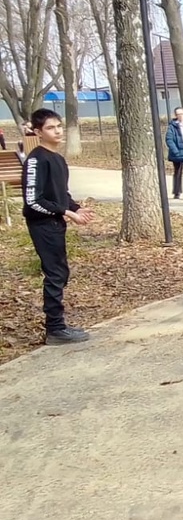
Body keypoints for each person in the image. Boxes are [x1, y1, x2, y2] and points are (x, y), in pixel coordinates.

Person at [21, 108, 94, 345]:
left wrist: (74, 207)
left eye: (59, 126)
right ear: (38, 132)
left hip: (55, 222)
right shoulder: (36, 160)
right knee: (54, 274)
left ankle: (58, 324)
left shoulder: (58, 159)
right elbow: (33, 201)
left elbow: (61, 193)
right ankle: (55, 329)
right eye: (51, 128)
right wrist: (66, 212)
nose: (58, 131)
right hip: (42, 224)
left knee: (61, 273)